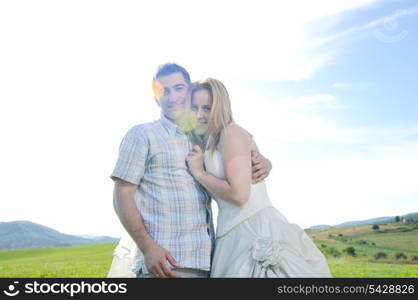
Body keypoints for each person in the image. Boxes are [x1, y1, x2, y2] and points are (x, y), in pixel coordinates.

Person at [109, 63, 272, 278]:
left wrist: (263, 161)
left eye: (178, 88)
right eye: (163, 91)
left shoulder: (203, 139)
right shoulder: (142, 135)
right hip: (166, 264)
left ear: (189, 91)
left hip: (208, 264)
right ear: (155, 97)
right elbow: (122, 195)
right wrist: (148, 247)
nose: (172, 96)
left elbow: (232, 165)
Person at [186, 78, 332, 277]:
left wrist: (199, 173)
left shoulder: (230, 132)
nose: (199, 115)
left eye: (207, 108)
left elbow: (239, 195)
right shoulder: (208, 141)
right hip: (229, 234)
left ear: (220, 107)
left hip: (251, 231)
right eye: (194, 108)